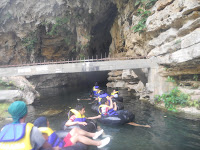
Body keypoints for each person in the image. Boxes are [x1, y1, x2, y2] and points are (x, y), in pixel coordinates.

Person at [34, 116, 110, 148]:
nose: (48, 122)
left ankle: (94, 135)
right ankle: (99, 144)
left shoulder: (46, 131)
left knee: (75, 130)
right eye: (47, 121)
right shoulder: (41, 137)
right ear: (44, 124)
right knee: (77, 137)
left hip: (61, 142)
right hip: (62, 147)